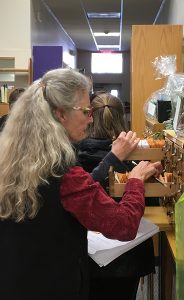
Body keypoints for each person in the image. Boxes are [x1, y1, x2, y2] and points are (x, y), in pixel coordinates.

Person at [0, 68, 163, 300]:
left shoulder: (10, 159)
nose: (90, 118)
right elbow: (123, 225)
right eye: (86, 111)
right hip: (52, 284)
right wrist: (135, 181)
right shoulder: (63, 172)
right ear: (60, 114)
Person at [77, 92, 157, 300]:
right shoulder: (137, 161)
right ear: (122, 118)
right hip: (128, 261)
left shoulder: (70, 159)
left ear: (88, 117)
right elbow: (150, 207)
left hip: (83, 257)